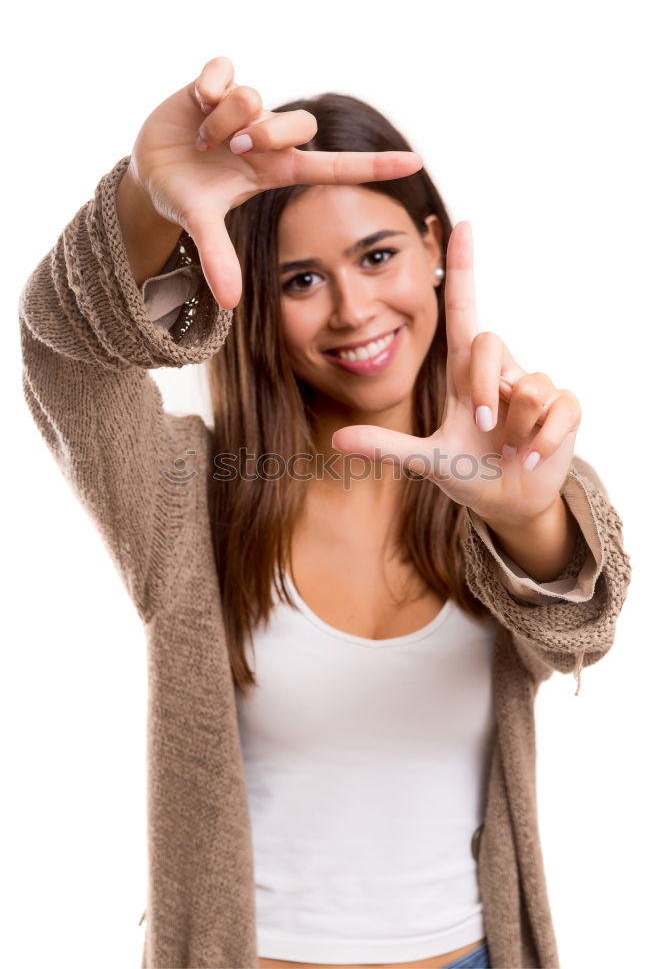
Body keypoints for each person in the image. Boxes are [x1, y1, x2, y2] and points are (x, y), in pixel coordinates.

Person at [19, 55, 632, 969]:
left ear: (432, 246)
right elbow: (63, 358)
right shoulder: (192, 491)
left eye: (377, 256)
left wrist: (523, 517)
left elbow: (577, 627)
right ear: (259, 297)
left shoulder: (516, 464)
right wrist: (148, 204)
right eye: (301, 279)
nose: (352, 309)